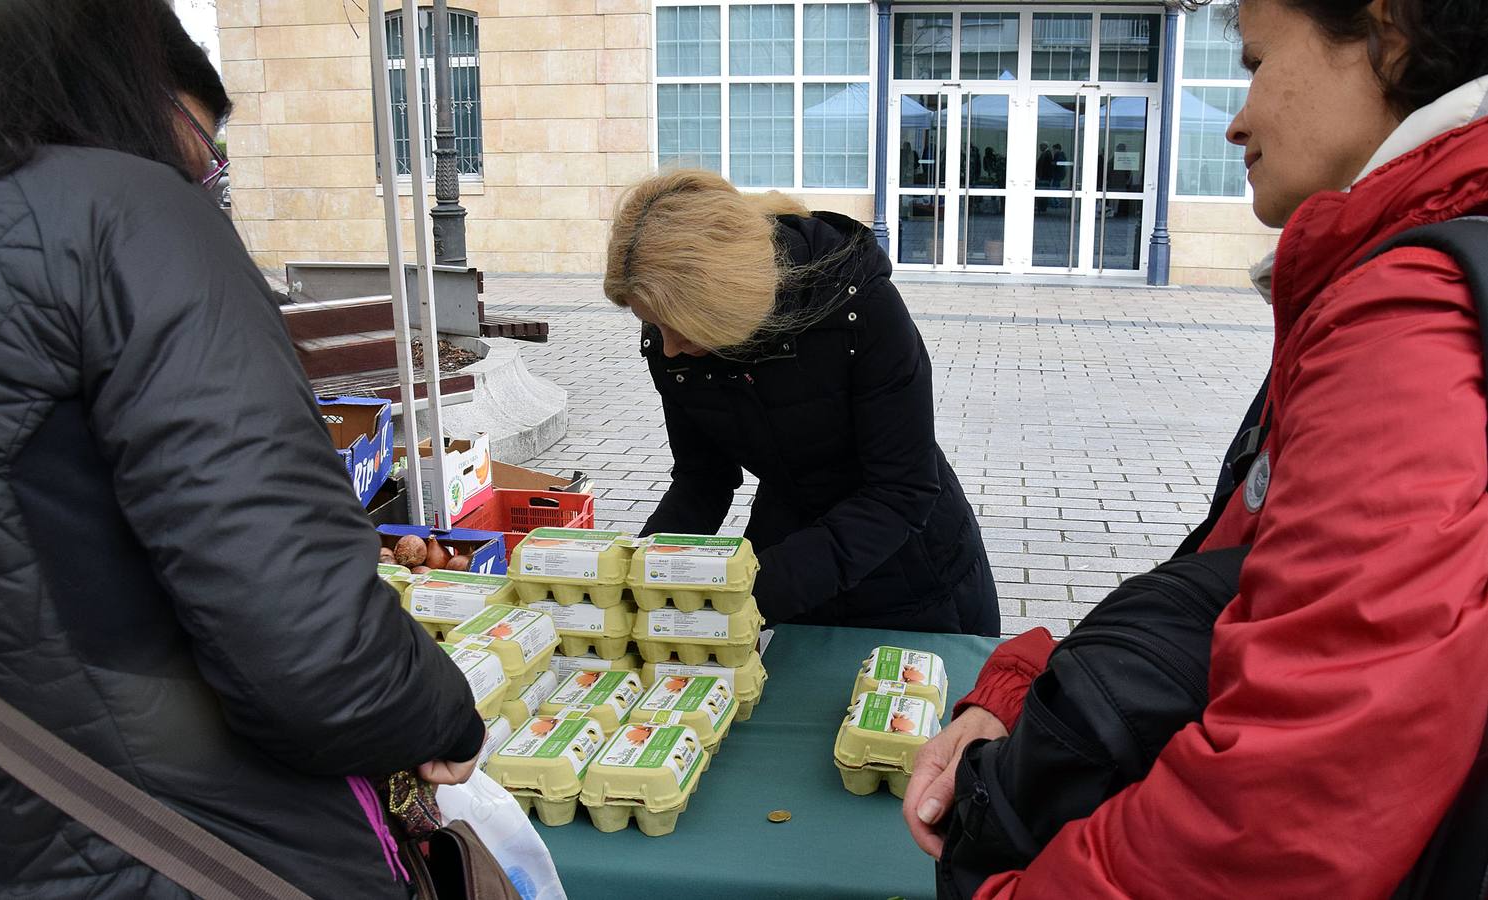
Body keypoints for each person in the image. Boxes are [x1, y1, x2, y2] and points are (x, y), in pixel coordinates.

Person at [905, 0, 1488, 895]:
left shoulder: (1410, 312)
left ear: (1387, 34)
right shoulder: (1394, 273)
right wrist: (1026, 693)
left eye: (1255, 62)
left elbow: (1291, 797)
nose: (1235, 118)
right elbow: (1227, 589)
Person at [0, 2, 484, 897]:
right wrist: (442, 715)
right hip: (182, 837)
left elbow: (41, 543)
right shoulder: (119, 213)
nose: (207, 176)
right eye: (206, 150)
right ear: (127, 83)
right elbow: (318, 661)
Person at [604, 169, 1001, 635]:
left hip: (913, 571)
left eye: (678, 326)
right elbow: (702, 481)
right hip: (790, 550)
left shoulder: (862, 311)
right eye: (654, 325)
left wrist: (753, 593)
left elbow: (901, 491)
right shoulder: (677, 346)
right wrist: (638, 576)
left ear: (726, 302)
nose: (667, 347)